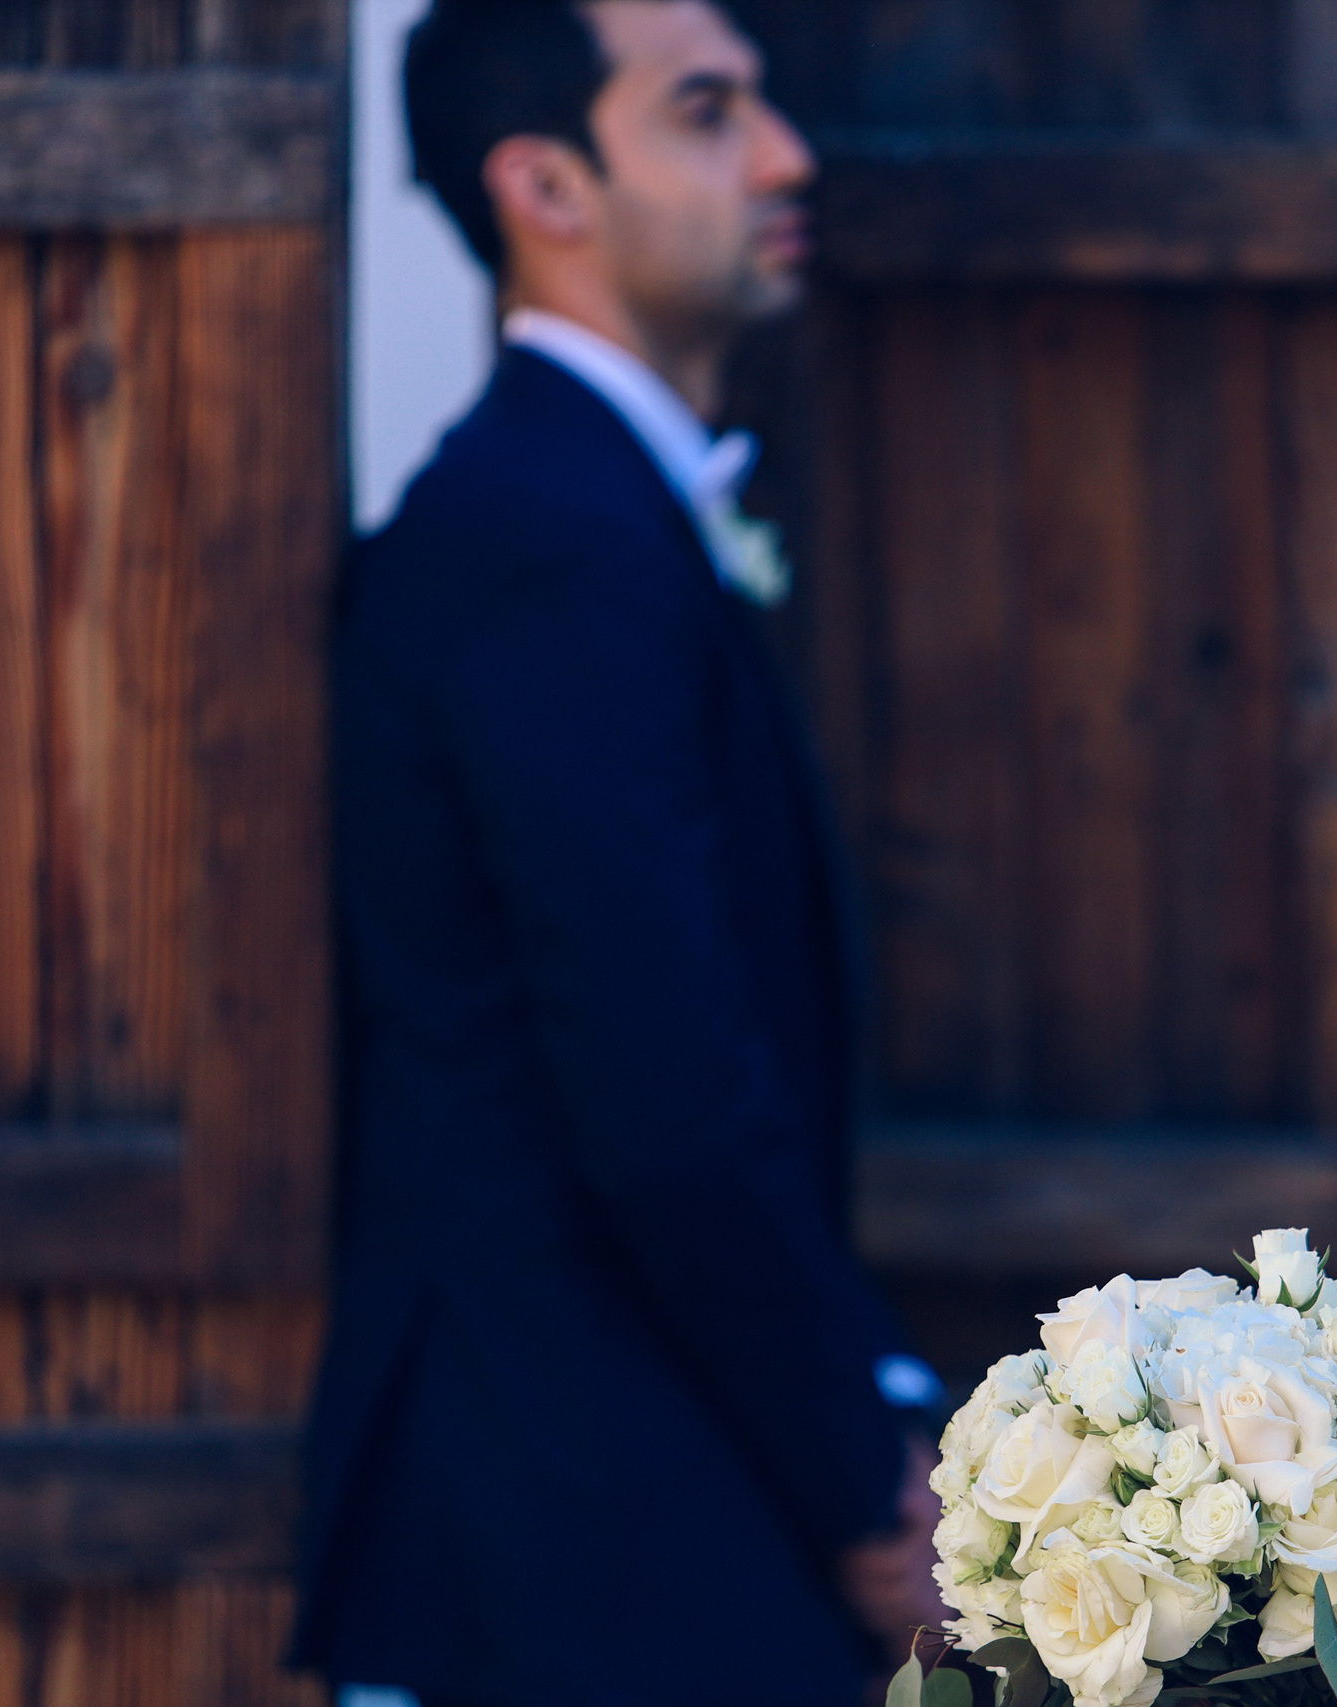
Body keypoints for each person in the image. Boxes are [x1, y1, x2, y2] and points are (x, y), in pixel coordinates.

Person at [293, 4, 944, 1703]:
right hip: (568, 1514)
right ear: (545, 187)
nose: (788, 157)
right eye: (708, 113)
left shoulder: (588, 514)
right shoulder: (540, 538)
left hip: (615, 1490)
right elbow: (664, 1083)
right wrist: (862, 1482)